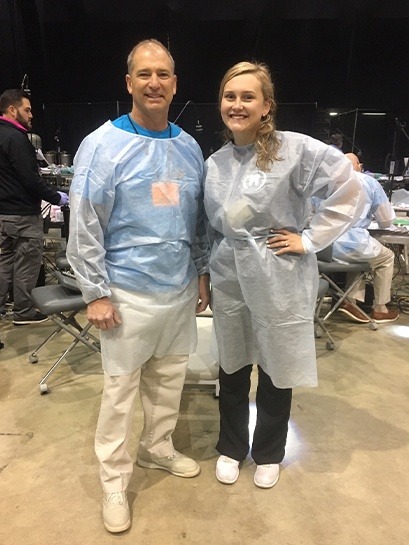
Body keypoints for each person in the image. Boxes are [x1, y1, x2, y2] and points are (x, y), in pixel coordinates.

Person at [66, 39, 210, 534]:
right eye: (145, 74)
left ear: (175, 83)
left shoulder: (188, 147)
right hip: (125, 292)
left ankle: (156, 447)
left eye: (164, 74)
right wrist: (95, 291)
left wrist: (202, 272)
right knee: (119, 392)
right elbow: (84, 223)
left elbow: (197, 221)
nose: (155, 82)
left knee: (169, 382)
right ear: (129, 83)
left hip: (177, 289)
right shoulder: (102, 146)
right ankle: (113, 479)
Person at [203, 61, 365, 489]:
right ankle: (231, 447)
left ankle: (269, 451)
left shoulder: (295, 150)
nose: (237, 105)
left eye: (247, 97)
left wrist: (309, 239)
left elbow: (349, 186)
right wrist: (204, 270)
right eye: (230, 96)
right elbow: (205, 225)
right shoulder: (215, 162)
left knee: (276, 364)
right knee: (233, 364)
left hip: (278, 271)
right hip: (229, 271)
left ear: (266, 105)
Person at [0, 89, 69, 325]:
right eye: (27, 110)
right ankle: (24, 312)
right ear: (12, 110)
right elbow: (30, 180)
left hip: (4, 215)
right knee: (27, 264)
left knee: (4, 264)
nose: (31, 115)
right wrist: (57, 198)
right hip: (22, 216)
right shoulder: (16, 139)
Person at [333, 152, 399, 323]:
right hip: (353, 243)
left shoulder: (328, 180)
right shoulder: (369, 182)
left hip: (323, 247)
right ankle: (380, 309)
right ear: (359, 166)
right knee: (386, 258)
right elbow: (386, 221)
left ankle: (350, 302)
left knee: (360, 259)